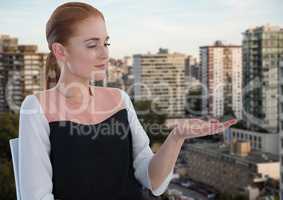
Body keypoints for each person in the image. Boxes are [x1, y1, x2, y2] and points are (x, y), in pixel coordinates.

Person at [18, 2, 237, 200]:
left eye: (106, 42)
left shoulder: (119, 99)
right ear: (60, 51)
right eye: (92, 45)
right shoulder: (37, 108)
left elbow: (153, 182)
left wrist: (177, 136)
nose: (105, 53)